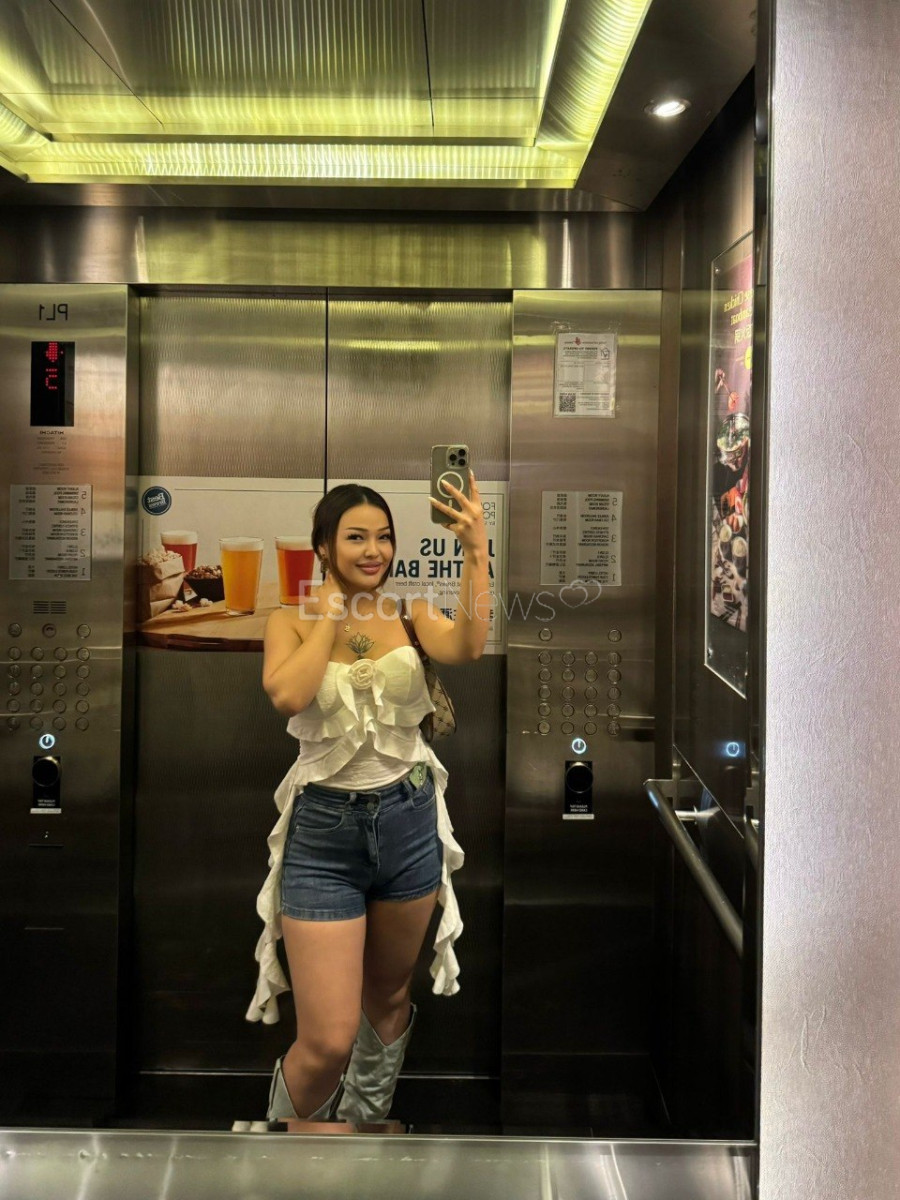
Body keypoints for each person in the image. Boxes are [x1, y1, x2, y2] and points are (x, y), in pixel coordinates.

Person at [245, 475, 490, 1124]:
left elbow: (468, 645)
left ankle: (361, 1140)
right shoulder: (289, 619)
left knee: (386, 1001)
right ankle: (286, 1164)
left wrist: (475, 551)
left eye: (384, 537)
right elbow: (288, 696)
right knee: (326, 1041)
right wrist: (329, 614)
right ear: (323, 546)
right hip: (324, 833)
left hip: (408, 820)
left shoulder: (409, 612)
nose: (374, 550)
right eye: (356, 537)